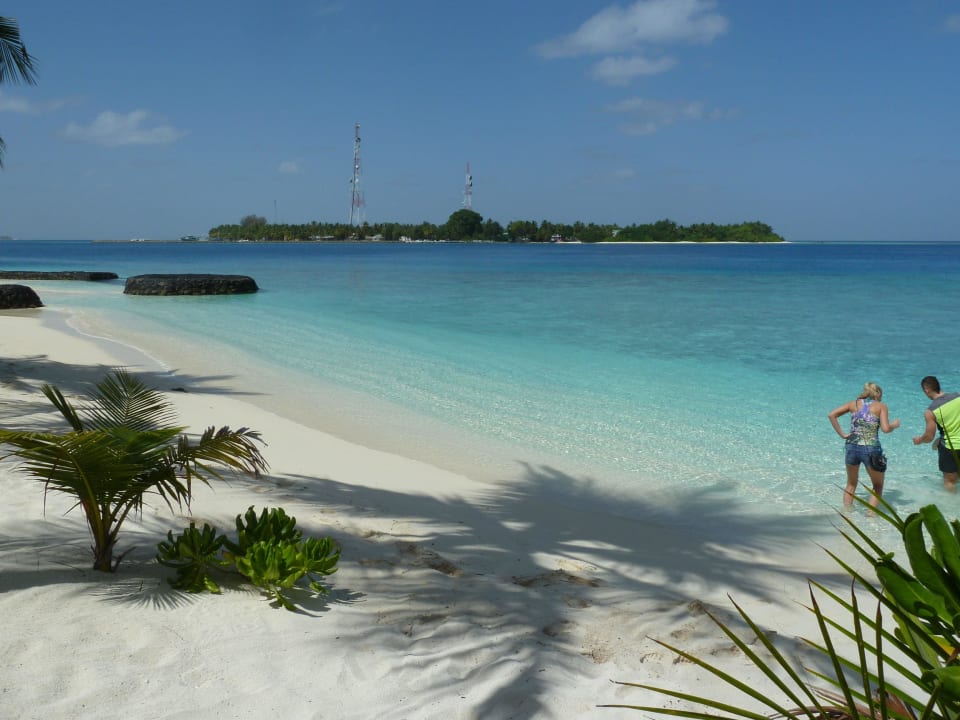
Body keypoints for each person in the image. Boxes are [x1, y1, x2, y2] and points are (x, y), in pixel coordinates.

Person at [828, 382, 900, 510]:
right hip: (871, 449)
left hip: (851, 446)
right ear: (877, 393)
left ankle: (847, 515)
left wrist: (843, 434)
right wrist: (894, 425)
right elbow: (885, 429)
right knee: (877, 485)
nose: (881, 398)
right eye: (880, 395)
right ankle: (871, 518)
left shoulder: (853, 404)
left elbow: (832, 415)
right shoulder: (881, 406)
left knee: (851, 484)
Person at [912, 375, 960, 491]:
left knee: (950, 481)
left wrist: (919, 440)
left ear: (927, 390)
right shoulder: (958, 396)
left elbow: (929, 437)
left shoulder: (931, 411)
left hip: (951, 448)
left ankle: (951, 507)